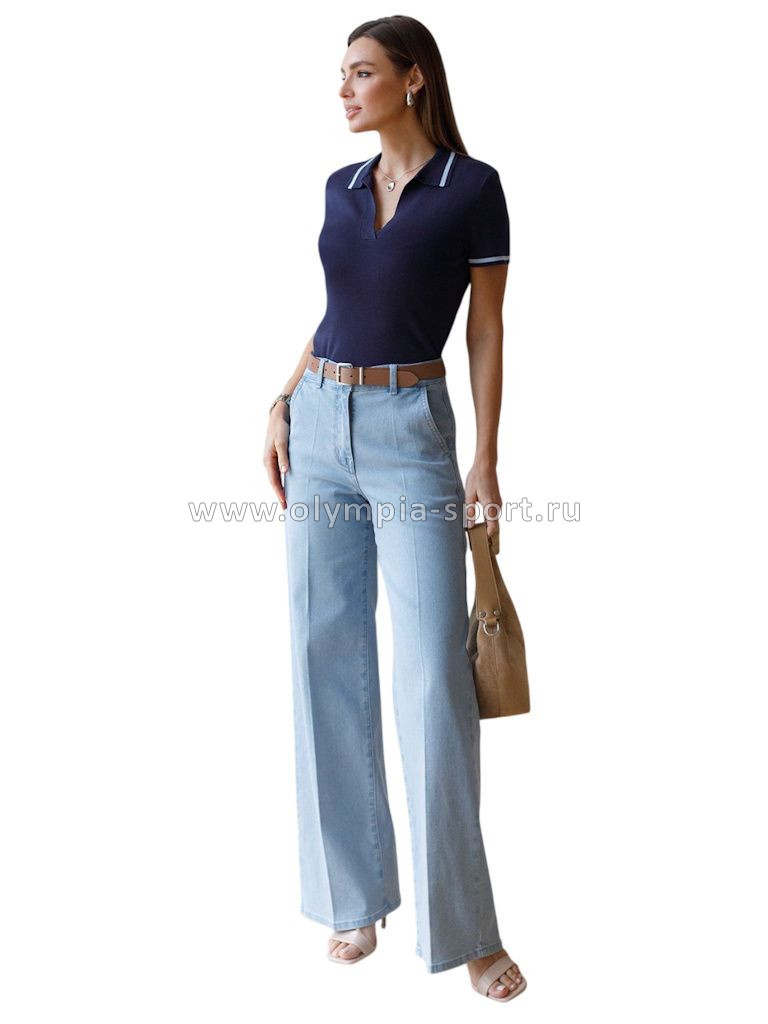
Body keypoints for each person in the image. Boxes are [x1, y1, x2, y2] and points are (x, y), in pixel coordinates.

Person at [263, 16, 526, 1003]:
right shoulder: (339, 186)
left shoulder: (473, 188)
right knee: (321, 653)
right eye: (342, 73)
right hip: (320, 424)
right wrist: (282, 398)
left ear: (413, 80)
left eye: (362, 73)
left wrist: (486, 456)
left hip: (411, 430)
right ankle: (352, 896)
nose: (344, 89)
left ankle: (467, 931)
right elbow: (338, 310)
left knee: (431, 680)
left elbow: (487, 329)